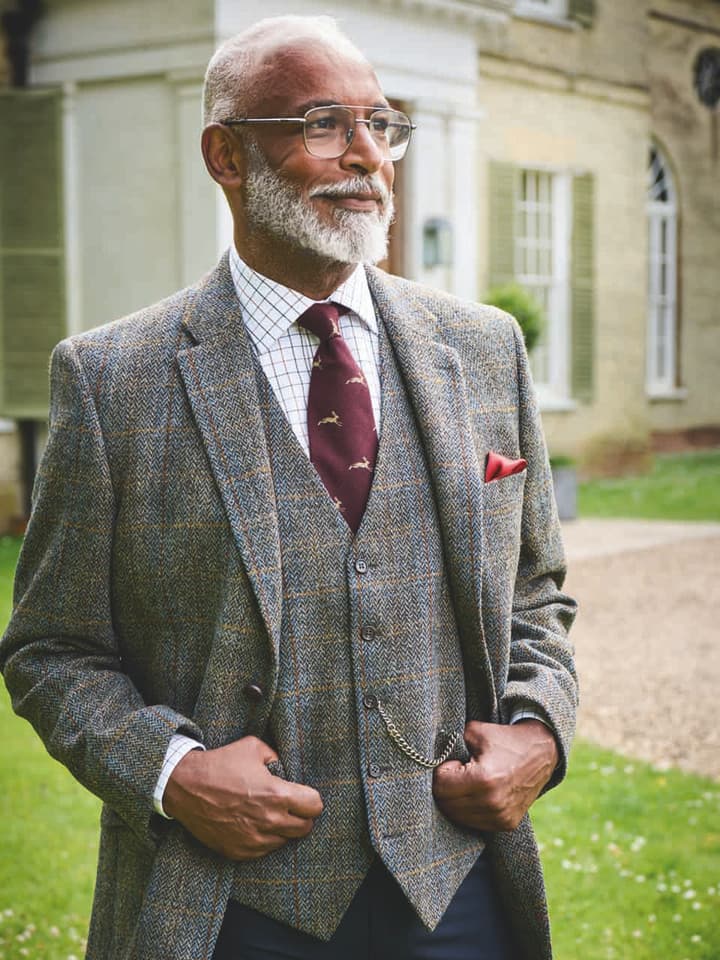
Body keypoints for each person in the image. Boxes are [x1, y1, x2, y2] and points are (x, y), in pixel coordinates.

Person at [0, 15, 577, 960]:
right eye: (323, 124)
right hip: (224, 908)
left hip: (459, 892)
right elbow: (51, 648)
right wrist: (173, 773)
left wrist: (540, 734)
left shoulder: (481, 350)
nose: (366, 156)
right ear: (226, 155)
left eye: (380, 124)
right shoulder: (113, 379)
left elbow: (538, 596)